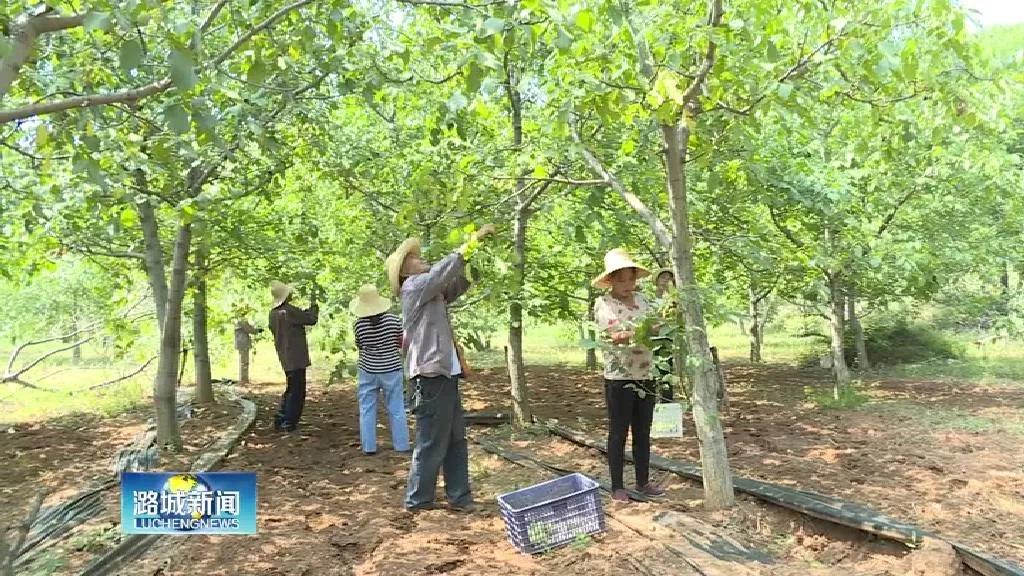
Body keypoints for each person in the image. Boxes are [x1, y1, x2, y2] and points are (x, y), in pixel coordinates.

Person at [386, 223, 496, 512]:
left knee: (455, 437)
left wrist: (476, 261)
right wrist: (473, 242)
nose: (421, 258)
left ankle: (459, 496)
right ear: (404, 271)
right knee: (432, 440)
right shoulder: (414, 287)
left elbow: (455, 284)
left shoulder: (431, 293)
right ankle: (418, 500)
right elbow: (441, 273)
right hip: (430, 376)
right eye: (413, 258)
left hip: (444, 374)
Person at [592, 248, 665, 502]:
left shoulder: (644, 301)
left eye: (630, 279)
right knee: (619, 431)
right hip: (619, 377)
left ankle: (643, 481)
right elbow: (615, 336)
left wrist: (660, 324)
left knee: (643, 431)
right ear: (610, 280)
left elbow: (657, 327)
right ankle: (617, 486)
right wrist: (641, 330)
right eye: (621, 279)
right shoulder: (604, 304)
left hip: (646, 374)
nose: (627, 285)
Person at [350, 284, 410, 455]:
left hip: (368, 369)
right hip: (392, 368)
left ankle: (368, 447)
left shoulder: (358, 325)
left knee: (367, 408)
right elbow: (401, 343)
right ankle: (402, 445)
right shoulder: (394, 321)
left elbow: (360, 345)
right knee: (396, 407)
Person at [268, 280, 319, 432]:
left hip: (284, 355)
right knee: (297, 390)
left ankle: (281, 418)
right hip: (296, 356)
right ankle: (289, 422)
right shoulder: (289, 311)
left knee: (291, 387)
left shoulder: (273, 313)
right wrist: (314, 307)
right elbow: (310, 319)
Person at [651, 268, 676, 403]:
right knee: (650, 373)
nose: (666, 281)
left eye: (669, 278)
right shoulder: (649, 299)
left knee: (666, 372)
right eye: (663, 277)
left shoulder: (673, 300)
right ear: (657, 280)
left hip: (666, 340)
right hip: (650, 340)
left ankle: (667, 402)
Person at [233, 307, 262, 385]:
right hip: (243, 342)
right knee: (244, 361)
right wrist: (258, 330)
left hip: (240, 342)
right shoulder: (242, 320)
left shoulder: (236, 320)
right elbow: (249, 329)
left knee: (243, 360)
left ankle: (244, 378)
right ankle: (244, 379)